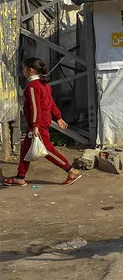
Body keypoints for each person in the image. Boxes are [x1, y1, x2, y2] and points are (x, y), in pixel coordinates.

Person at [4, 58, 82, 186]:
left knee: (47, 150)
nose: (23, 71)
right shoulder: (43, 84)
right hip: (41, 123)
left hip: (38, 124)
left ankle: (71, 170)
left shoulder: (32, 87)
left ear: (30, 70)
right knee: (25, 149)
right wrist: (58, 117)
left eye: (24, 69)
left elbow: (35, 108)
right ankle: (20, 177)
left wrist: (35, 126)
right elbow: (50, 102)